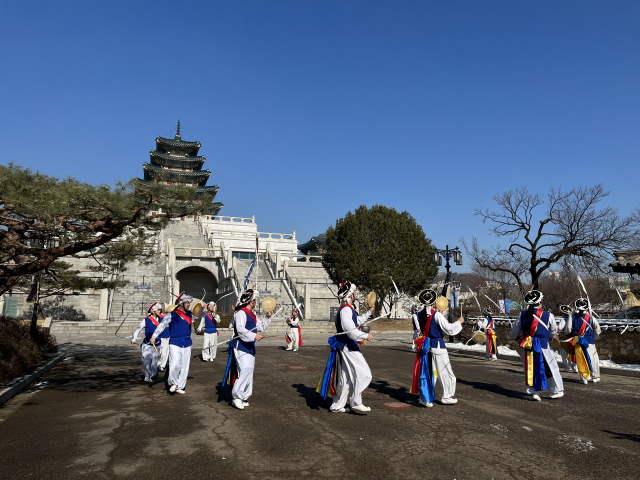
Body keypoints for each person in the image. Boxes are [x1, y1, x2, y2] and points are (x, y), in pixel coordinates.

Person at [317, 281, 374, 414]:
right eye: (353, 293)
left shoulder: (347, 309)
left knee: (345, 377)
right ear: (350, 295)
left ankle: (337, 405)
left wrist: (369, 313)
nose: (355, 295)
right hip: (348, 345)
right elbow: (350, 330)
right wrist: (365, 336)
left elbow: (356, 322)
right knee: (364, 373)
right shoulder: (346, 310)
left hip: (346, 345)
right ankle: (356, 401)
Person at [222, 289, 273, 410]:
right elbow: (239, 329)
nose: (256, 302)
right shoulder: (241, 313)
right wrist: (253, 335)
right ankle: (236, 396)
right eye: (255, 300)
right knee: (244, 370)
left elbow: (259, 327)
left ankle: (244, 396)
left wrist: (266, 318)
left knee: (249, 371)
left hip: (250, 346)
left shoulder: (252, 313)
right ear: (251, 301)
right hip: (240, 345)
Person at [510, 290, 564, 401]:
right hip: (543, 345)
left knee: (531, 368)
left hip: (528, 345)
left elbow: (514, 332)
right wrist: (551, 336)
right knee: (550, 367)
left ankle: (534, 391)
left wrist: (517, 338)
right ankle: (555, 391)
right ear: (539, 302)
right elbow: (553, 331)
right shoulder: (548, 315)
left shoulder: (522, 315)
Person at [425, 293, 464, 405]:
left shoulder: (425, 315)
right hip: (438, 345)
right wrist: (459, 322)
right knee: (446, 371)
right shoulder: (437, 315)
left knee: (432, 372)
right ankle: (446, 396)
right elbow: (449, 329)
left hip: (429, 345)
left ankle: (426, 397)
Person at [151, 292, 194, 395]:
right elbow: (162, 325)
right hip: (175, 341)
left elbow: (200, 314)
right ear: (181, 304)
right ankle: (173, 383)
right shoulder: (172, 314)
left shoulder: (190, 314)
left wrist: (203, 308)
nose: (189, 304)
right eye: (187, 303)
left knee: (184, 366)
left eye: (189, 303)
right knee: (175, 363)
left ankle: (181, 386)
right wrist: (154, 336)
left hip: (187, 342)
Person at [565, 298, 601, 384]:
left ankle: (584, 377)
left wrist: (570, 335)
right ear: (587, 308)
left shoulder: (572, 316)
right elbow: (598, 329)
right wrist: (594, 337)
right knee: (593, 359)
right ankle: (595, 376)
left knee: (581, 359)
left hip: (578, 340)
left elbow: (567, 330)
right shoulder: (592, 317)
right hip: (590, 341)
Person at [131, 302, 162, 382]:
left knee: (154, 361)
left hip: (157, 343)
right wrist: (134, 338)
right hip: (147, 344)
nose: (160, 311)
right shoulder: (146, 320)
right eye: (158, 310)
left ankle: (153, 375)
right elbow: (138, 329)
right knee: (146, 360)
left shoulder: (162, 319)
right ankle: (147, 376)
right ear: (153, 311)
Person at [557, 305, 577, 373]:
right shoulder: (575, 319)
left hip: (566, 337)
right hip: (574, 337)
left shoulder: (564, 319)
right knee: (574, 352)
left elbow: (559, 328)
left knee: (564, 353)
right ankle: (575, 367)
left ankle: (568, 367)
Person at [156, 305, 170, 372]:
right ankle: (157, 364)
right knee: (159, 352)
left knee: (165, 353)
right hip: (160, 336)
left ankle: (162, 365)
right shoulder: (159, 317)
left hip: (167, 337)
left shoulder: (170, 316)